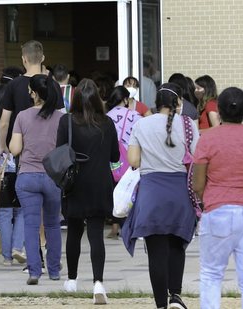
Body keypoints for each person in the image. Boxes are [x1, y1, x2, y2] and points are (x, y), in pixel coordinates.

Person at [192, 87, 243, 309]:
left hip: (218, 211)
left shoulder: (208, 139)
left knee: (211, 274)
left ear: (218, 110)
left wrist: (205, 198)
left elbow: (197, 184)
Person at [124, 83, 198, 309]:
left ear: (157, 103)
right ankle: (175, 295)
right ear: (178, 103)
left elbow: (134, 161)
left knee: (156, 252)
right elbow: (197, 156)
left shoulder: (141, 124)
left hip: (151, 193)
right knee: (177, 245)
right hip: (179, 193)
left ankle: (160, 305)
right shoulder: (188, 125)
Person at [58, 79, 119, 304]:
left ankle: (72, 279)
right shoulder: (107, 123)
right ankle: (98, 283)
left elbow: (60, 152)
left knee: (74, 231)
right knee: (96, 235)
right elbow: (115, 156)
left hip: (74, 183)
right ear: (97, 98)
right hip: (100, 182)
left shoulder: (67, 122)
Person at [9, 74, 64, 285]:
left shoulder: (22, 116)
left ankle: (34, 271)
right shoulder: (60, 117)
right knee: (52, 225)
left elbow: (15, 148)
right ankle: (54, 270)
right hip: (53, 177)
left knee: (31, 226)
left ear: (33, 93)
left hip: (28, 177)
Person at [0, 66, 26, 267]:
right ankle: (17, 247)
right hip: (18, 157)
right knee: (20, 209)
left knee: (4, 210)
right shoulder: (18, 105)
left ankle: (7, 258)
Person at [0, 40, 64, 155]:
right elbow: (61, 118)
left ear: (24, 59)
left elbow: (4, 122)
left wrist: (2, 145)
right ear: (42, 58)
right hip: (49, 149)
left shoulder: (13, 84)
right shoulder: (53, 84)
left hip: (22, 147)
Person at [105, 86, 144, 239]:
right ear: (125, 99)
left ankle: (117, 226)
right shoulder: (134, 115)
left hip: (112, 161)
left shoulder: (106, 117)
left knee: (117, 193)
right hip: (131, 159)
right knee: (132, 192)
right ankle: (133, 226)